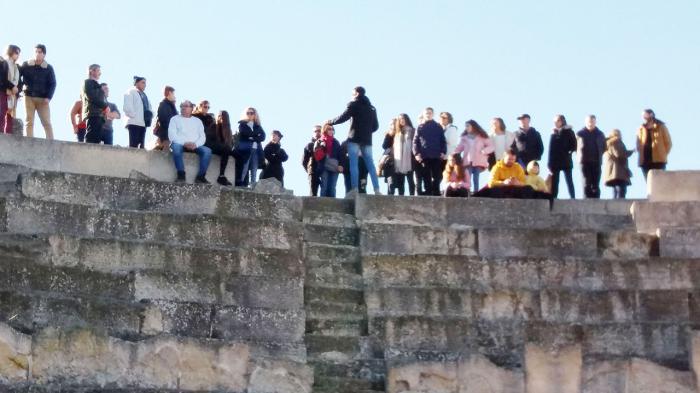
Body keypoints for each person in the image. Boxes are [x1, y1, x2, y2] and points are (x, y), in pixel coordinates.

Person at [326, 86, 381, 195]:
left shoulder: (353, 105)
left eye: (352, 94)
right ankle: (377, 189)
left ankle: (355, 189)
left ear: (356, 94)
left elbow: (343, 117)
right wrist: (366, 131)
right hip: (367, 140)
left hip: (354, 138)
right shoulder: (372, 108)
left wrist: (330, 122)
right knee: (370, 165)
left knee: (354, 164)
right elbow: (375, 126)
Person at [168, 100, 211, 183]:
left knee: (207, 151)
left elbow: (202, 137)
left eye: (186, 106)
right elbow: (172, 135)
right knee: (176, 148)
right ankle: (181, 175)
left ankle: (200, 176)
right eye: (182, 106)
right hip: (180, 144)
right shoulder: (174, 119)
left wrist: (196, 144)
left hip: (195, 145)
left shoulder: (197, 121)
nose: (183, 108)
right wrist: (184, 143)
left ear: (191, 109)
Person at [19, 44, 56, 139]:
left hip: (43, 99)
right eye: (36, 52)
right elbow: (18, 76)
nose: (37, 54)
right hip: (28, 96)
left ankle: (50, 141)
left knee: (46, 121)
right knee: (29, 120)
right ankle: (29, 140)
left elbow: (52, 83)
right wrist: (20, 89)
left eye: (40, 52)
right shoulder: (26, 64)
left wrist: (48, 97)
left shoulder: (48, 68)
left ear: (44, 54)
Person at [413, 107, 447, 196]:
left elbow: (443, 140)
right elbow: (415, 142)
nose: (428, 114)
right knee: (426, 176)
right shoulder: (420, 127)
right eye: (426, 113)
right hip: (424, 156)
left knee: (438, 176)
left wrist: (443, 152)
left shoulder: (438, 126)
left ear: (433, 114)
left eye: (430, 113)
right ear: (424, 115)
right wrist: (416, 154)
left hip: (436, 155)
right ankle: (428, 192)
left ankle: (435, 192)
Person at [454, 119, 494, 192]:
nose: (466, 128)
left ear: (473, 126)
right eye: (465, 126)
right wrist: (454, 153)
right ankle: (467, 191)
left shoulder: (482, 136)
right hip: (468, 160)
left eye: (468, 126)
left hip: (478, 160)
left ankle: (476, 191)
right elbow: (459, 148)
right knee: (467, 176)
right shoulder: (464, 138)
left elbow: (491, 146)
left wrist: (484, 151)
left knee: (476, 177)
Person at [576, 115, 606, 199]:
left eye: (592, 121)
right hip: (584, 162)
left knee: (596, 183)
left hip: (596, 162)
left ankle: (596, 200)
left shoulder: (600, 134)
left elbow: (604, 147)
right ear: (586, 122)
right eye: (589, 122)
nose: (590, 123)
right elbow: (575, 146)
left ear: (595, 122)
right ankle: (586, 200)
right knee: (586, 182)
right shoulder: (580, 134)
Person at [637, 109, 672, 180]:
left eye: (645, 115)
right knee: (649, 183)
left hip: (659, 160)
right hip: (645, 160)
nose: (644, 118)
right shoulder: (641, 129)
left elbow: (668, 143)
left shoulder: (661, 127)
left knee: (660, 181)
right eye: (643, 116)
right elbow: (638, 143)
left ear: (651, 115)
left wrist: (663, 153)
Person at [547, 114, 577, 199]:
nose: (556, 123)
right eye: (554, 122)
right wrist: (549, 163)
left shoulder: (569, 131)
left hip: (566, 160)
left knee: (569, 180)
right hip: (555, 161)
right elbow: (551, 149)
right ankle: (553, 198)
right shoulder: (553, 133)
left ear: (562, 121)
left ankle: (572, 197)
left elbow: (574, 144)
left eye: (558, 121)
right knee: (555, 181)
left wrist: (569, 152)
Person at [236, 107, 265, 187]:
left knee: (254, 169)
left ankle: (252, 186)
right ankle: (240, 185)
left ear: (255, 115)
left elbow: (263, 137)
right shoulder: (242, 124)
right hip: (246, 150)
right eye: (248, 113)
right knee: (244, 168)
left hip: (256, 150)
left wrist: (253, 137)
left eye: (251, 113)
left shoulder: (258, 126)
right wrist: (256, 136)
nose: (249, 115)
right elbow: (245, 133)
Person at [387, 114, 416, 196]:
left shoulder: (412, 130)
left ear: (406, 119)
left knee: (410, 180)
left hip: (409, 159)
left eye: (403, 118)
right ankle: (401, 196)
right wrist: (389, 133)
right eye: (399, 119)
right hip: (398, 160)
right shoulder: (396, 133)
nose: (401, 120)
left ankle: (412, 196)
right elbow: (387, 146)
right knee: (401, 181)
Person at [80, 64, 109, 144]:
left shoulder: (96, 84)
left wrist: (104, 109)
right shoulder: (88, 82)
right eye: (98, 71)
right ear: (91, 71)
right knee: (91, 136)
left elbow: (99, 98)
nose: (100, 73)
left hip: (99, 115)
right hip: (92, 114)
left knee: (97, 138)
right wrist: (105, 106)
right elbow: (92, 96)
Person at [207, 109, 235, 186]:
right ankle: (221, 175)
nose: (220, 118)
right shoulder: (213, 126)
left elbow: (230, 143)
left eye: (222, 117)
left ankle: (240, 181)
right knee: (226, 149)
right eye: (219, 116)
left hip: (223, 149)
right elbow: (210, 140)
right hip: (213, 147)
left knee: (238, 154)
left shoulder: (228, 130)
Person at [123, 76, 152, 149]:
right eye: (143, 82)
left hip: (143, 123)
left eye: (145, 83)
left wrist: (150, 116)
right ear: (136, 83)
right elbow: (127, 107)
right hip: (134, 123)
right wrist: (134, 116)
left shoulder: (144, 95)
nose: (145, 85)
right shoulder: (131, 92)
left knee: (141, 146)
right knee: (133, 146)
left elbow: (150, 107)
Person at [315, 124, 343, 197]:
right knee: (324, 186)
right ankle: (322, 206)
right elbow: (317, 155)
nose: (331, 131)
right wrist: (322, 146)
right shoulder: (320, 141)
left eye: (332, 129)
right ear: (325, 130)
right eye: (329, 129)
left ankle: (333, 206)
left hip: (335, 167)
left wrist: (340, 165)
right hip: (324, 166)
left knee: (332, 187)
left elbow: (340, 155)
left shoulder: (336, 142)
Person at [604, 129, 634, 199]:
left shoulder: (609, 143)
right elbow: (619, 154)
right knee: (621, 190)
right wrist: (630, 152)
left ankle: (614, 206)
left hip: (613, 170)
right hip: (618, 170)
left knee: (615, 190)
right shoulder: (616, 141)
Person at [1, 45, 21, 134]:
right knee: (1, 113)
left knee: (9, 116)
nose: (18, 55)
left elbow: (19, 82)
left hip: (12, 95)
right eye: (16, 53)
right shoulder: (3, 63)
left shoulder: (17, 67)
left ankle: (8, 135)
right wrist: (12, 87)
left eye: (19, 53)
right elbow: (2, 78)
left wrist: (16, 90)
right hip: (3, 91)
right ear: (10, 51)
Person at [154, 86, 177, 151]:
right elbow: (163, 120)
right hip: (166, 134)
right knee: (165, 152)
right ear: (169, 93)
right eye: (173, 94)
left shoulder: (171, 105)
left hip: (171, 134)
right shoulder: (163, 104)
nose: (174, 96)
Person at [302, 126, 322, 196]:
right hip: (313, 171)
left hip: (324, 171)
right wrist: (309, 171)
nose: (317, 133)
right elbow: (304, 161)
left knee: (326, 192)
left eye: (319, 131)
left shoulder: (325, 144)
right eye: (315, 131)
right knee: (313, 194)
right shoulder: (309, 145)